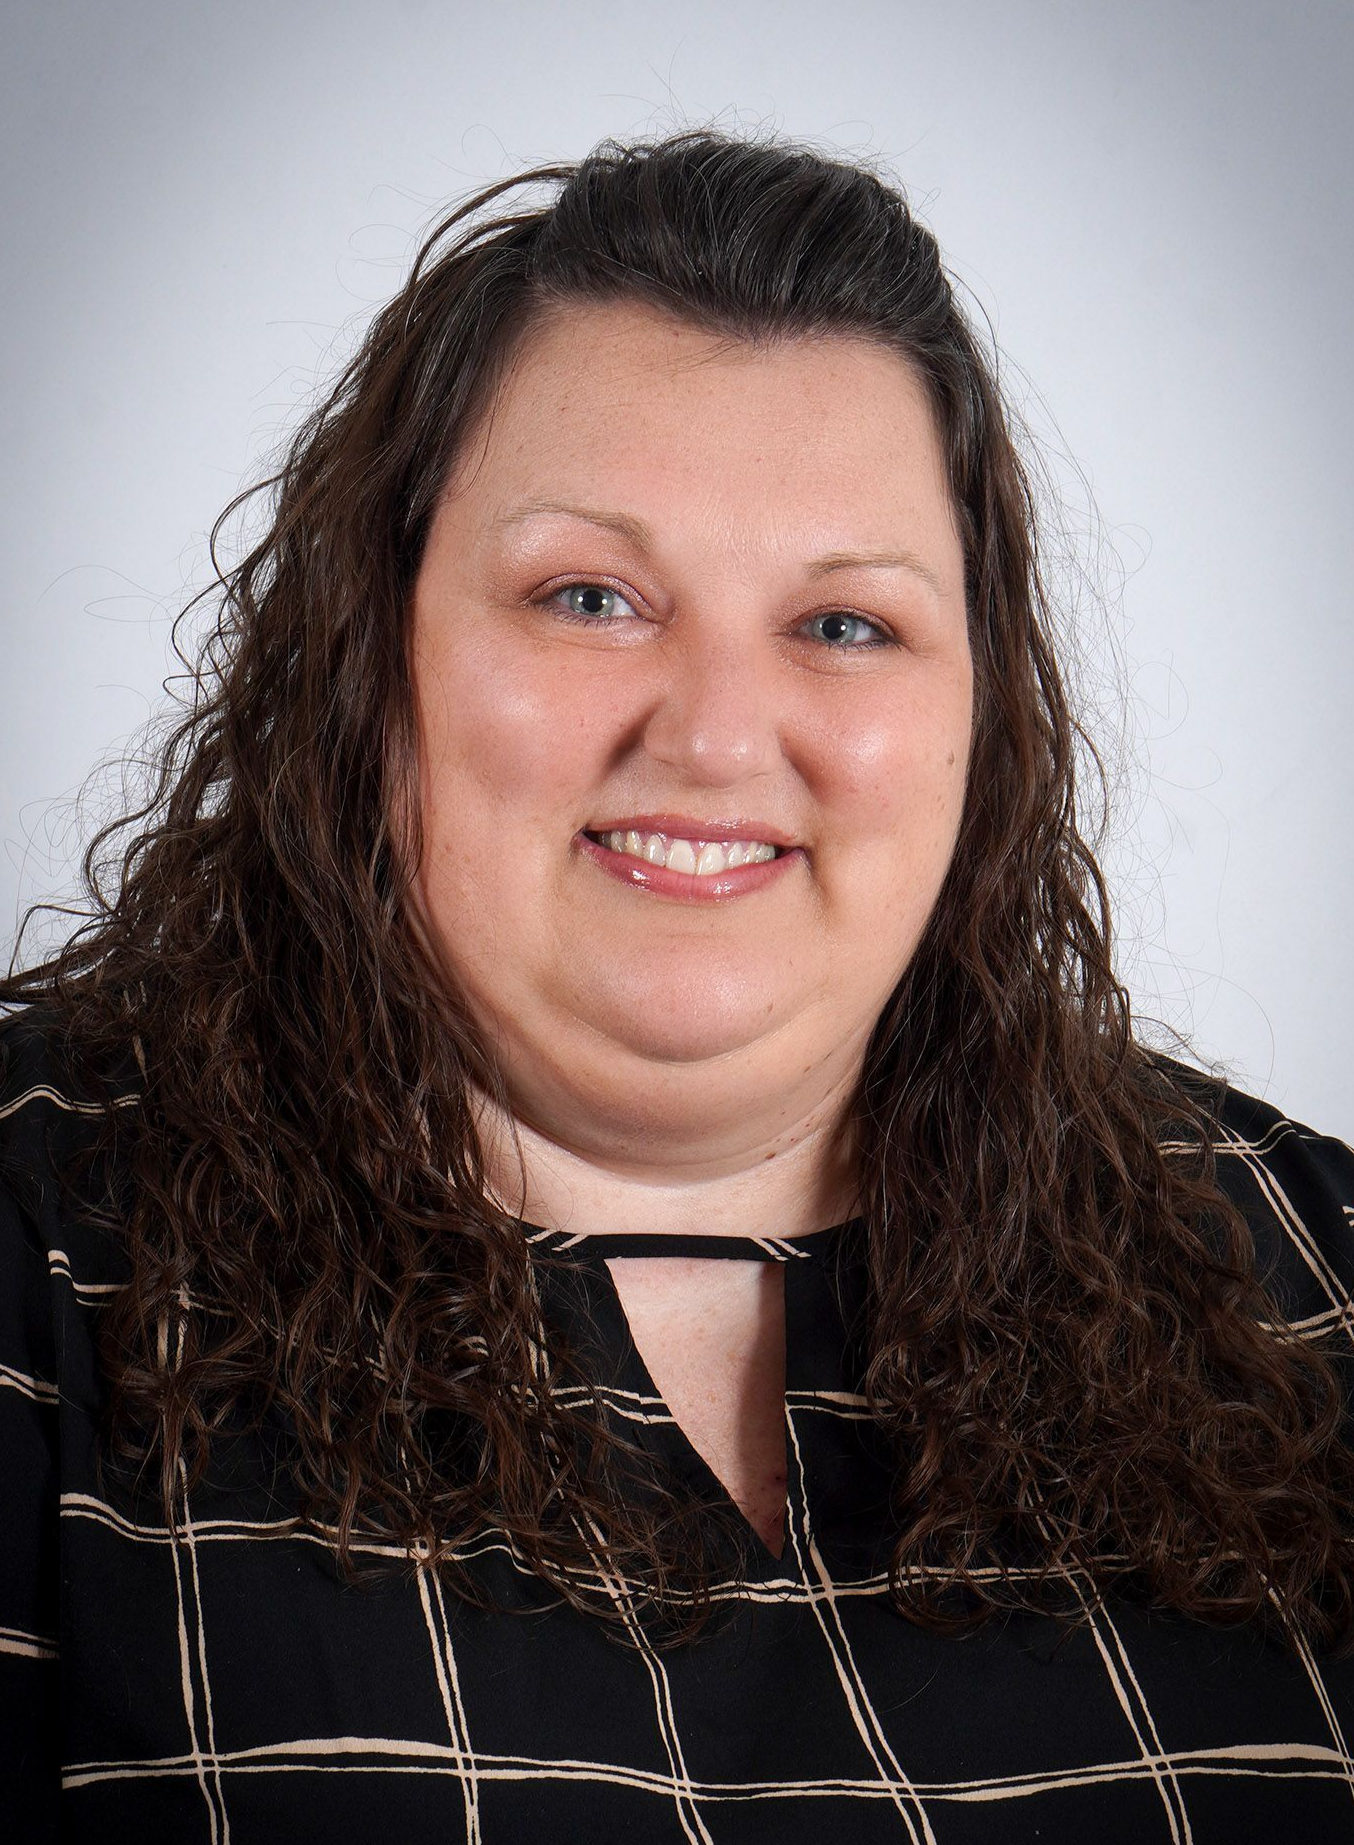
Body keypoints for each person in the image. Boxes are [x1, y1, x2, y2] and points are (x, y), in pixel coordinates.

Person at [2, 127, 1353, 1844]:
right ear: (371, 655)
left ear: (977, 713)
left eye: (845, 625)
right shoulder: (38, 1232)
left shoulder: (1315, 1280)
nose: (713, 735)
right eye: (590, 597)